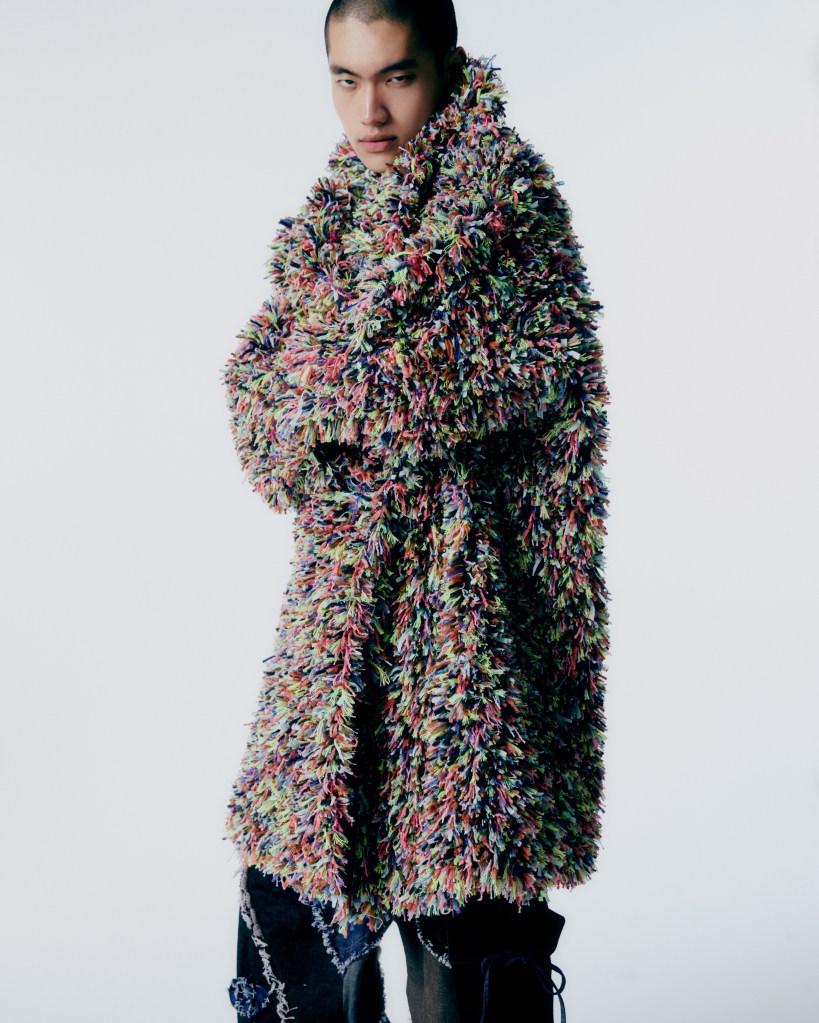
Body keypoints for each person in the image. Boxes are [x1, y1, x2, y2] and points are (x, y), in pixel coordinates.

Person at [222, 1, 610, 1020]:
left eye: (395, 76)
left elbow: (466, 376)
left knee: (466, 957)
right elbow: (256, 399)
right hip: (337, 633)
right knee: (297, 923)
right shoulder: (328, 224)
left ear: (445, 67)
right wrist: (327, 394)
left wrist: (329, 385)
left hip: (466, 641)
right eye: (346, 79)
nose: (371, 110)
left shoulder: (507, 209)